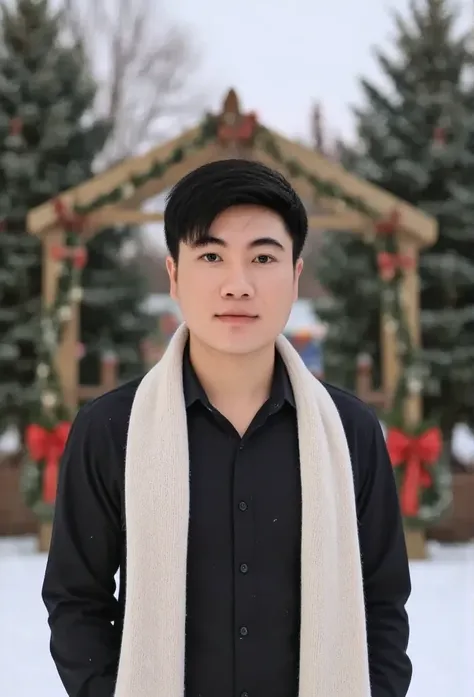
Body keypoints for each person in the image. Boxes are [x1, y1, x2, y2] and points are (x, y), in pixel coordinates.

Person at [42, 159, 412, 697]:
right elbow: (77, 602)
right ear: (174, 274)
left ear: (295, 274)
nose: (238, 285)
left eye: (263, 257)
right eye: (211, 256)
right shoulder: (111, 430)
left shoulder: (349, 431)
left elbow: (382, 604)